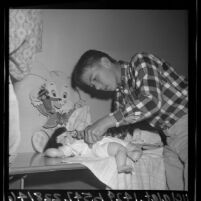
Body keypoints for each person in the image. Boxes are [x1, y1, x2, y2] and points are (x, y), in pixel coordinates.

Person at [71, 50, 188, 190]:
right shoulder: (120, 96)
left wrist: (105, 122)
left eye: (94, 79)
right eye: (92, 86)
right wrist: (91, 135)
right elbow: (119, 131)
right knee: (174, 182)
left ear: (105, 62)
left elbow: (150, 101)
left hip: (186, 118)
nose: (97, 87)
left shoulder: (140, 60)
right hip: (170, 136)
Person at [44, 129, 143, 173]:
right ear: (61, 143)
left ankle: (131, 152)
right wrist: (48, 151)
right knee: (119, 148)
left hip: (103, 141)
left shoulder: (77, 140)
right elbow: (55, 153)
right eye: (65, 136)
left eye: (68, 133)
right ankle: (121, 166)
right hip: (98, 148)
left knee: (128, 147)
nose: (69, 135)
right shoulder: (71, 146)